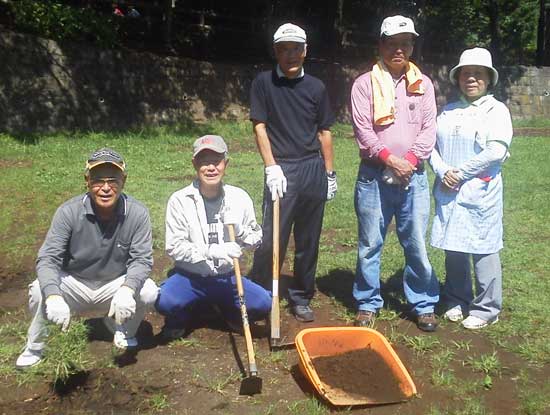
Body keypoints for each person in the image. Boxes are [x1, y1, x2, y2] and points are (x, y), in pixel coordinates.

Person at [16, 148, 158, 369]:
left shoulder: (138, 213)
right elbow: (48, 258)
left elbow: (142, 260)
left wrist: (127, 289)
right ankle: (36, 346)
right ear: (86, 180)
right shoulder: (68, 212)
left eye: (113, 180)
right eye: (98, 180)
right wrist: (53, 295)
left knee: (148, 291)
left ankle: (119, 328)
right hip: (74, 282)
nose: (105, 188)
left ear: (124, 181)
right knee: (38, 289)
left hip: (114, 285)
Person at [350, 15, 439, 332]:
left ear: (412, 46)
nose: (399, 49)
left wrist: (410, 161)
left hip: (413, 176)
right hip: (374, 176)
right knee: (370, 242)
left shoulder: (423, 84)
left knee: (414, 242)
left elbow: (429, 129)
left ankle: (424, 303)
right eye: (392, 43)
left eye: (406, 43)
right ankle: (367, 301)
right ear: (381, 45)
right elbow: (363, 130)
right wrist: (391, 160)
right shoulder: (364, 84)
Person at [248, 23, 336, 322]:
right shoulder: (263, 83)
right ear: (276, 51)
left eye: (296, 48)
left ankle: (301, 295)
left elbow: (324, 132)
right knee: (273, 236)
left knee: (309, 238)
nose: (291, 54)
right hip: (282, 168)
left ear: (305, 50)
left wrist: (330, 174)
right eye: (284, 49)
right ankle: (259, 292)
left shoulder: (316, 87)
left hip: (312, 168)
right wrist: (271, 166)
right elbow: (259, 126)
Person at [155, 135, 271, 339]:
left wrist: (241, 231)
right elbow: (174, 247)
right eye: (203, 161)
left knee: (263, 303)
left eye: (216, 161)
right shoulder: (180, 200)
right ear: (194, 164)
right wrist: (211, 251)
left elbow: (256, 239)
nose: (210, 168)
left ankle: (230, 313)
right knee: (164, 301)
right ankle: (182, 316)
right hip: (190, 277)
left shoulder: (239, 197)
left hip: (227, 277)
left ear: (226, 163)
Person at [429, 48, 512, 330]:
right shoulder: (448, 111)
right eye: (467, 73)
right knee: (454, 244)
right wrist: (442, 171)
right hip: (449, 188)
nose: (472, 78)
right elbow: (431, 146)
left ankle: (487, 307)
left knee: (484, 246)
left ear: (489, 79)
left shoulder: (496, 111)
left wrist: (461, 173)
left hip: (479, 191)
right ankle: (456, 297)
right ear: (458, 78)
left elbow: (496, 151)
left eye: (478, 74)